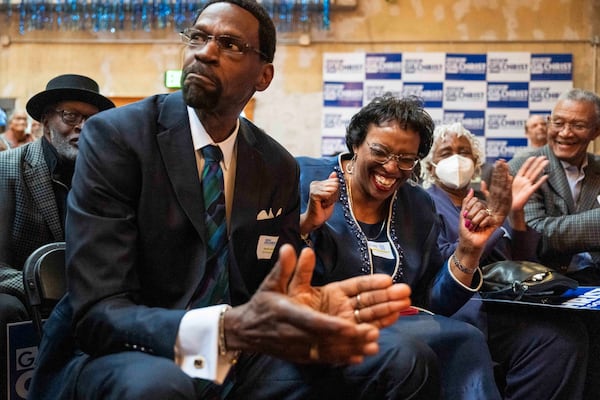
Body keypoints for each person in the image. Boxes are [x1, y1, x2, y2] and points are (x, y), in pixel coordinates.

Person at [29, 2, 427, 399]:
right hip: (128, 348)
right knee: (161, 387)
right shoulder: (117, 137)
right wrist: (222, 329)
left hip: (239, 350)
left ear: (264, 75)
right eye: (198, 37)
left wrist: (305, 309)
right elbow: (100, 313)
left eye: (230, 44)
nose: (204, 51)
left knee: (401, 355)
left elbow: (273, 285)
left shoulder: (276, 165)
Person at [297, 95, 515, 399]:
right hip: (322, 320)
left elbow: (433, 302)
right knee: (408, 353)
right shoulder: (304, 177)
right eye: (381, 152)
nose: (391, 167)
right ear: (356, 144)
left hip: (399, 322)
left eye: (405, 159)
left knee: (467, 337)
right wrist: (305, 223)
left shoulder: (418, 205)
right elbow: (264, 264)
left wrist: (468, 248)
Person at [421, 122, 589, 399]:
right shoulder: (425, 204)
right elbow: (443, 263)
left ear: (475, 162)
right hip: (462, 311)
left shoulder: (488, 200)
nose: (456, 159)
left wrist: (517, 213)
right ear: (430, 166)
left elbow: (522, 262)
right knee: (559, 342)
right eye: (446, 152)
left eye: (463, 151)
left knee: (577, 331)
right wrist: (496, 222)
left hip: (506, 303)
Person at [0, 74, 115, 400]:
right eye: (70, 116)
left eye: (91, 120)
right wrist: (45, 290)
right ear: (45, 119)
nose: (81, 126)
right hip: (24, 297)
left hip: (90, 297)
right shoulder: (6, 169)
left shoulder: (109, 177)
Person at [509, 89, 600, 284]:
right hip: (546, 284)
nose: (566, 132)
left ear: (596, 131)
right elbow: (535, 235)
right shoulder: (524, 167)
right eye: (558, 123)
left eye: (578, 125)